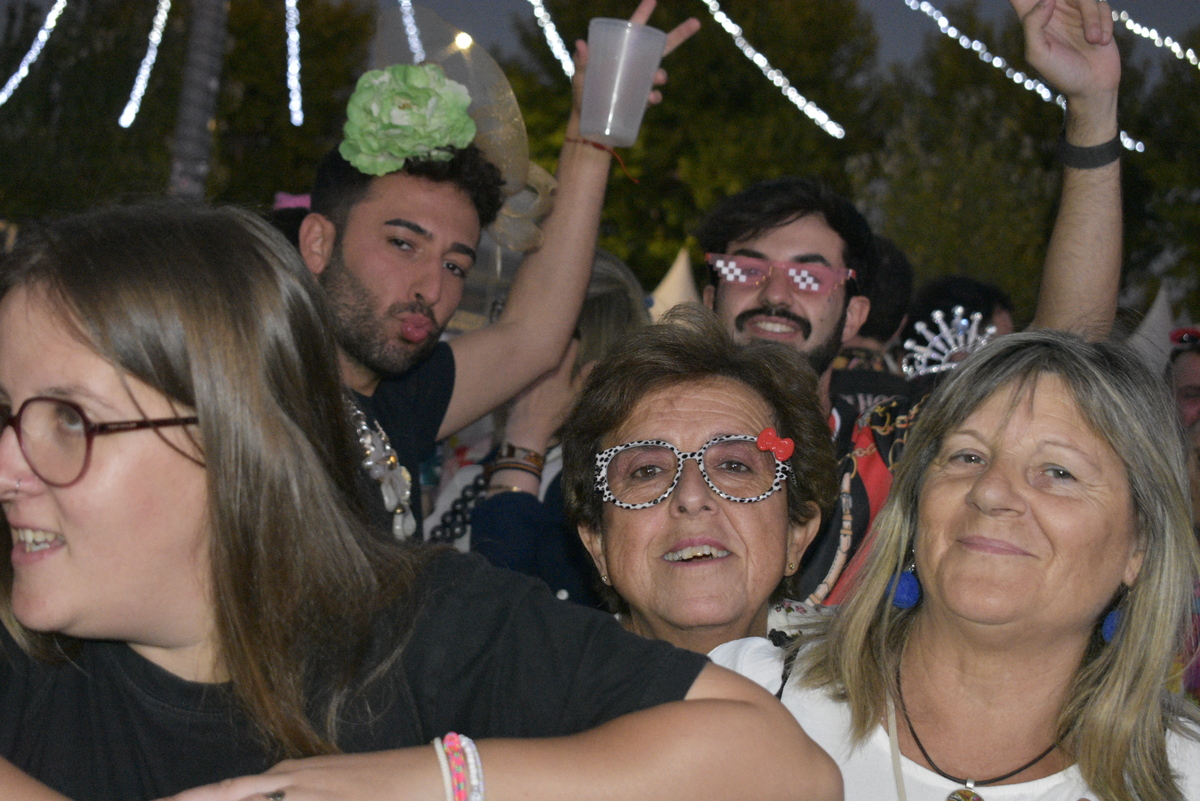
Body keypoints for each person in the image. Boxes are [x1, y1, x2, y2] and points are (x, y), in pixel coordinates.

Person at [0, 203, 841, 801]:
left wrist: (426, 777)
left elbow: (783, 769)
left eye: (66, 420)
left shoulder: (418, 626)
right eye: (5, 414)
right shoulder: (25, 658)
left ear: (233, 438)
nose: (10, 468)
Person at [713, 330, 1200, 800]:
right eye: (968, 456)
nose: (989, 491)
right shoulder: (744, 697)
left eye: (1058, 472)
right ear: (917, 504)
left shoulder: (1189, 775)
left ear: (1141, 546)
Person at [298, 1, 699, 533]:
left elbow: (533, 335)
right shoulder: (237, 391)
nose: (432, 287)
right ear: (319, 243)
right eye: (403, 244)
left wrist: (592, 137)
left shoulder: (398, 399)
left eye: (456, 265)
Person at [559, 305, 838, 654]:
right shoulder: (539, 697)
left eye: (734, 466)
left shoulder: (877, 687)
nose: (691, 496)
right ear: (597, 543)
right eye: (647, 471)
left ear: (796, 535)